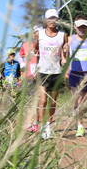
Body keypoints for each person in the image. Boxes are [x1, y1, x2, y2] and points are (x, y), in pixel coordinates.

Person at [28, 9, 68, 138]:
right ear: (46, 21)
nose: (52, 21)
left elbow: (64, 52)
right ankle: (40, 125)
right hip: (43, 71)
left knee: (53, 101)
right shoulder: (39, 34)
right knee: (43, 100)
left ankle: (48, 126)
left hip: (56, 72)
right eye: (50, 19)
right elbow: (35, 49)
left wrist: (65, 54)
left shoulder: (63, 35)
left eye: (54, 19)